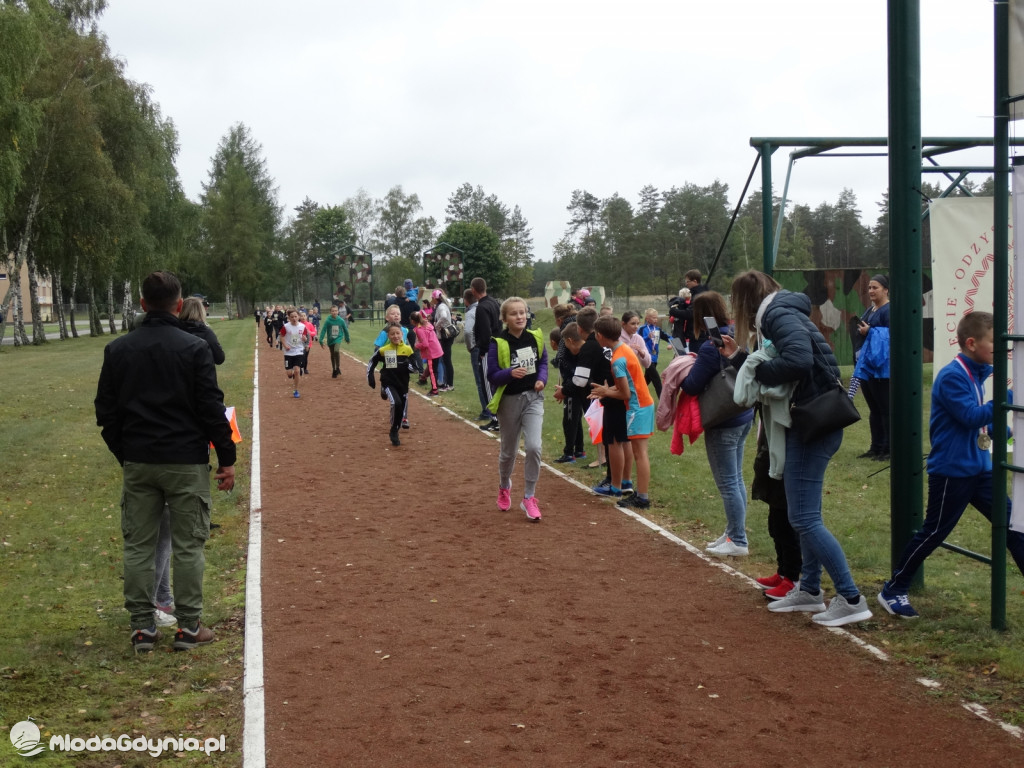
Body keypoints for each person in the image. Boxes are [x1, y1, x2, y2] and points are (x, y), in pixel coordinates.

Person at [723, 269, 872, 628]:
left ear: (746, 302)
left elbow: (798, 361)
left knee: (804, 517)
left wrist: (757, 372)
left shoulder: (776, 315)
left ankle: (850, 597)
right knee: (805, 516)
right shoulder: (783, 312)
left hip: (811, 423)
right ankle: (808, 589)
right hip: (810, 421)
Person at [95, 271, 235, 652]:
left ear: (142, 304)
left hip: (140, 461)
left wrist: (125, 453)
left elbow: (106, 412)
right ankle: (189, 627)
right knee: (188, 546)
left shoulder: (119, 349)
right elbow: (211, 408)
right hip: (185, 461)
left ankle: (142, 626)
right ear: (178, 305)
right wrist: (227, 459)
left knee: (139, 545)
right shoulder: (194, 348)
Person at [878, 312, 1024, 618]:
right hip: (952, 473)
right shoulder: (953, 376)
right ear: (971, 344)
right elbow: (970, 416)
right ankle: (894, 589)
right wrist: (1009, 395)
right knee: (934, 532)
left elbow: (982, 426)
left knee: (1014, 526)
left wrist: (1011, 430)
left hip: (980, 470)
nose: (1000, 352)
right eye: (993, 345)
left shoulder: (979, 374)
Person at [681, 292, 755, 556]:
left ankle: (738, 539)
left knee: (728, 482)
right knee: (736, 478)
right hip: (743, 415)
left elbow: (692, 385)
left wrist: (681, 367)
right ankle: (734, 532)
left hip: (723, 420)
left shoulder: (711, 346)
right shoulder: (737, 333)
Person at [485, 297, 548, 522]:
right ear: (505, 319)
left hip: (533, 398)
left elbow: (542, 364)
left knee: (534, 447)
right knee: (508, 452)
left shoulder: (535, 338)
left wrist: (541, 380)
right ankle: (504, 486)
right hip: (509, 401)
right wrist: (509, 373)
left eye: (523, 312)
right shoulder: (498, 342)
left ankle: (529, 497)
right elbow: (491, 374)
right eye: (514, 314)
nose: (520, 317)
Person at [590, 315, 655, 509]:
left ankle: (642, 497)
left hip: (637, 407)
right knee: (639, 452)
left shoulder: (617, 360)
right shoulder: (624, 349)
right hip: (643, 404)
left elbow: (624, 393)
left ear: (600, 335)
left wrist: (604, 391)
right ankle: (640, 494)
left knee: (640, 453)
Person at [854, 274, 891, 461]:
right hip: (867, 367)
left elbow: (891, 336)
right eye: (869, 287)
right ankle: (875, 447)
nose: (871, 291)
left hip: (882, 369)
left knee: (885, 409)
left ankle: (888, 448)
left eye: (875, 287)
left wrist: (870, 331)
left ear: (886, 289)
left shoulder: (888, 310)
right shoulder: (870, 310)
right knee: (874, 409)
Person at [367, 323, 416, 447]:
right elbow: (372, 361)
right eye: (392, 334)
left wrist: (407, 365)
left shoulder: (408, 350)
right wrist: (370, 376)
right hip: (389, 382)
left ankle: (396, 426)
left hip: (403, 384)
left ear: (402, 334)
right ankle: (394, 430)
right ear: (388, 336)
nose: (395, 336)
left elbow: (415, 368)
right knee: (396, 403)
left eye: (397, 333)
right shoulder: (384, 350)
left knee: (401, 407)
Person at [471, 277, 502, 432]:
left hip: (489, 349)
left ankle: (495, 418)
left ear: (473, 290)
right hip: (498, 346)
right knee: (494, 383)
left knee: (488, 384)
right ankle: (499, 417)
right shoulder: (494, 302)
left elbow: (485, 332)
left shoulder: (482, 307)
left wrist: (482, 351)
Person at [463, 288, 494, 423]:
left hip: (479, 346)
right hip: (491, 344)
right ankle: (491, 408)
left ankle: (486, 410)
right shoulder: (487, 306)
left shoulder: (471, 312)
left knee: (480, 380)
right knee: (489, 379)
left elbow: (468, 331)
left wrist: (471, 346)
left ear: (466, 300)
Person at [281, 308, 311, 398]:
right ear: (289, 318)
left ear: (298, 316)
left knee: (297, 371)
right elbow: (281, 336)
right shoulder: (286, 327)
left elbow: (305, 337)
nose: (294, 318)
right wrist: (285, 346)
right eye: (292, 317)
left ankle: (296, 390)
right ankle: (292, 374)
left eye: (295, 316)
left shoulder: (302, 327)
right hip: (288, 352)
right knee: (289, 374)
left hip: (298, 350)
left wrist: (305, 340)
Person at [411, 310, 443, 395]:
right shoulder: (427, 324)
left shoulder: (419, 329)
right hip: (436, 349)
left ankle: (434, 390)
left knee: (432, 371)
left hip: (431, 352)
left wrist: (416, 346)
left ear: (413, 321)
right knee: (431, 368)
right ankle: (423, 379)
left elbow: (425, 344)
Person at [431, 289, 456, 391]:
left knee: (446, 360)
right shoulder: (442, 305)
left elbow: (444, 317)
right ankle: (447, 383)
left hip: (446, 336)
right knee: (446, 360)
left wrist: (437, 325)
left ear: (434, 298)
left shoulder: (441, 306)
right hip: (446, 336)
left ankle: (449, 384)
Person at [318, 303, 351, 378]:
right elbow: (323, 330)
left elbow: (345, 330)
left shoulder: (341, 320)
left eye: (336, 311)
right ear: (330, 312)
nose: (334, 312)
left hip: (338, 338)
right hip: (330, 339)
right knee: (332, 355)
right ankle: (334, 369)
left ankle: (338, 366)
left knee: (336, 351)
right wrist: (321, 340)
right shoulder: (328, 320)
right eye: (333, 311)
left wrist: (347, 338)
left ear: (338, 312)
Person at [639, 308, 665, 398]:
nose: (656, 320)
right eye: (654, 318)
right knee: (656, 379)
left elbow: (668, 337)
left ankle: (636, 393)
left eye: (656, 318)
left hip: (654, 357)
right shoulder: (642, 329)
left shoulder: (657, 329)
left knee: (646, 379)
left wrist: (672, 343)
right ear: (647, 319)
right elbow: (638, 341)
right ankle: (662, 401)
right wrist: (647, 337)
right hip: (646, 357)